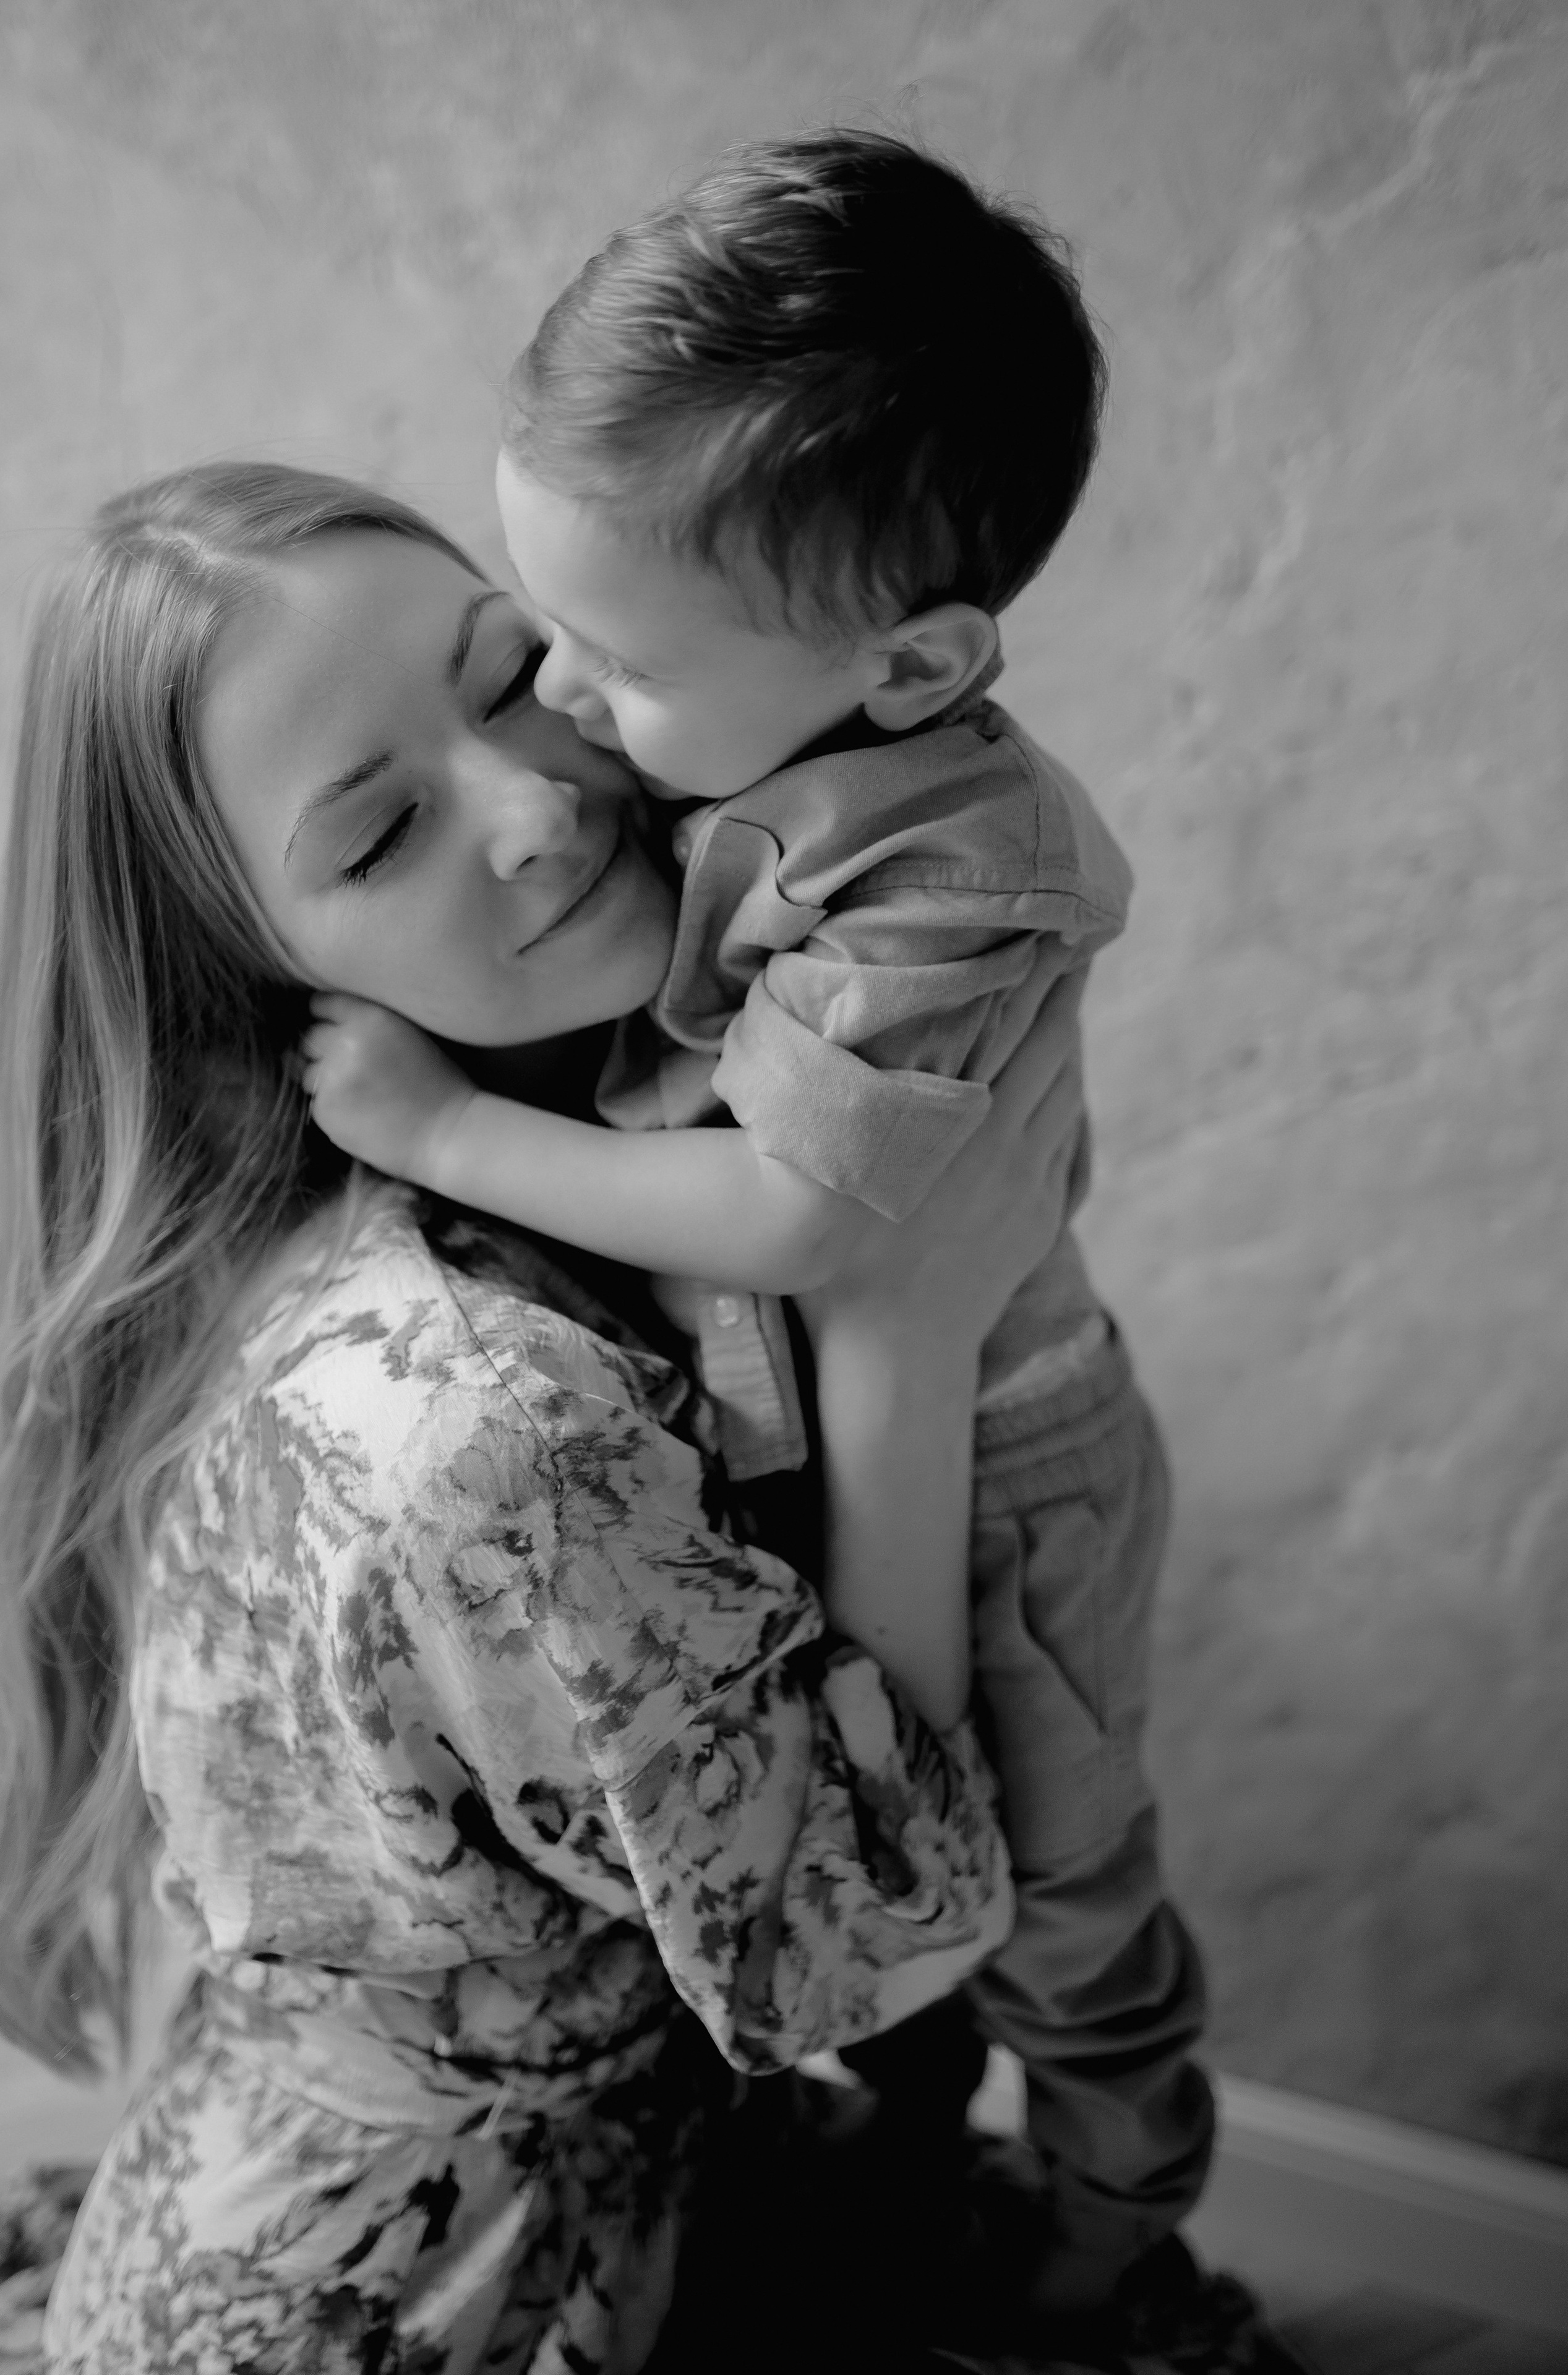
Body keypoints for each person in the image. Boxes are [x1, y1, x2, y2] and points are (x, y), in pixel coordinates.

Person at [293, 130, 1295, 2372]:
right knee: (870, 1844)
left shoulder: (967, 867)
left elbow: (785, 1210)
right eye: (543, 626)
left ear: (918, 661)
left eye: (613, 666)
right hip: (816, 1399)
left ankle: (1111, 2204)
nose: (559, 701)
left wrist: (443, 1122)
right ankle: (905, 2128)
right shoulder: (742, 702)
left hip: (1012, 1469)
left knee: (1049, 1878)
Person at [0, 460, 1092, 2375]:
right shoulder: (491, 1424)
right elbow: (876, 1936)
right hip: (444, 2304)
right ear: (256, 960)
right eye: (379, 831)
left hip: (361, 2163)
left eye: (510, 674)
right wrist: (906, 1329)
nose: (532, 801)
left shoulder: (425, 1171)